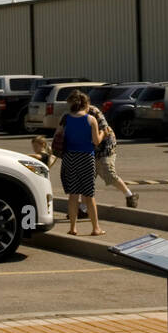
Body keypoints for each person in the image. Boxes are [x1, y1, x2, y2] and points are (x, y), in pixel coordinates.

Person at [54, 91, 105, 236]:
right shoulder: (91, 119)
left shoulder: (66, 118)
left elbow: (58, 135)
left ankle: (73, 228)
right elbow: (96, 141)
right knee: (89, 195)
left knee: (73, 195)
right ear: (86, 104)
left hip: (69, 158)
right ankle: (96, 228)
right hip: (86, 158)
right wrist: (103, 134)